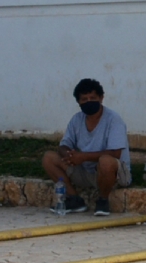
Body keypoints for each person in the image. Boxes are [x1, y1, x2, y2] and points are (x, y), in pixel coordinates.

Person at [41, 78, 130, 216]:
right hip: (85, 171)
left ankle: (103, 200)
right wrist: (68, 155)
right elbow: (64, 145)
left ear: (101, 98)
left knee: (105, 161)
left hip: (112, 174)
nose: (89, 101)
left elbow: (115, 154)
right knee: (49, 158)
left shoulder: (114, 119)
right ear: (78, 102)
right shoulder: (77, 119)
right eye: (84, 99)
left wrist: (83, 157)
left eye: (92, 98)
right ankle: (74, 199)